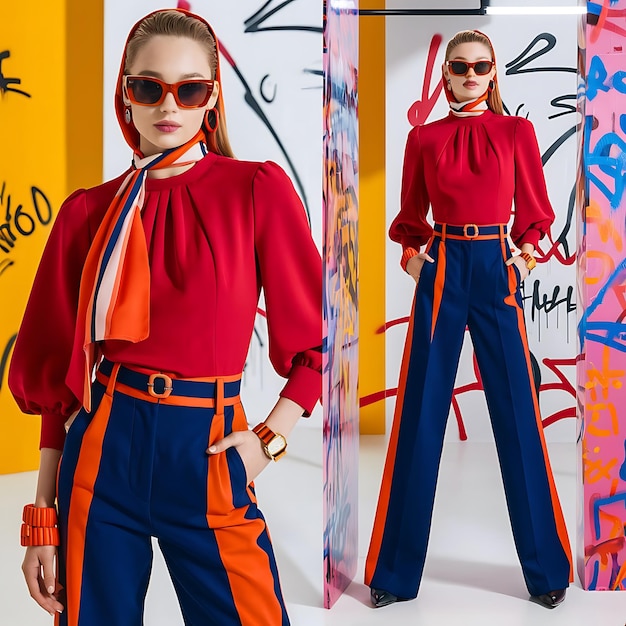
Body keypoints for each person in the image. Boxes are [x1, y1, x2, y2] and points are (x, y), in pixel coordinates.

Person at [9, 8, 321, 626]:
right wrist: (40, 519)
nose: (168, 105)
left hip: (207, 447)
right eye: (148, 87)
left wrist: (267, 442)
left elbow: (313, 349)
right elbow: (57, 387)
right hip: (103, 449)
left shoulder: (255, 190)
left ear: (212, 97)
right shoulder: (85, 213)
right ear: (125, 95)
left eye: (189, 88)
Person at [364, 30, 573, 610]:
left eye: (482, 66)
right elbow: (408, 217)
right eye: (461, 66)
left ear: (494, 73)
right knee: (419, 414)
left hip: (495, 267)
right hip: (444, 267)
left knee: (518, 413)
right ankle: (395, 575)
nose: (472, 74)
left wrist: (523, 258)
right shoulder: (424, 139)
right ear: (447, 75)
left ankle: (547, 571)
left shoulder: (516, 132)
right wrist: (414, 262)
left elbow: (536, 212)